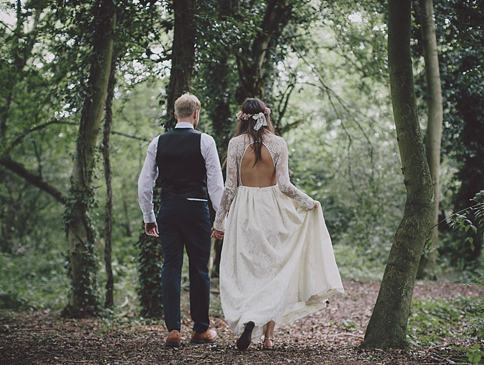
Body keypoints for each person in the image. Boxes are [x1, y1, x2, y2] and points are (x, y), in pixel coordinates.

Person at [211, 98, 344, 351]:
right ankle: (269, 338)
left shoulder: (236, 144)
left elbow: (229, 188)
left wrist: (219, 222)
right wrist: (308, 202)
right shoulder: (278, 143)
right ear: (265, 116)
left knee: (248, 272)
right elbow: (284, 185)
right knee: (273, 270)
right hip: (272, 210)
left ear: (243, 118)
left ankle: (249, 318)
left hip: (243, 212)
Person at [138, 93, 224, 348]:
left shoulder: (158, 142)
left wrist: (149, 216)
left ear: (176, 114)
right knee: (199, 268)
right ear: (196, 115)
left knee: (171, 267)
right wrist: (220, 220)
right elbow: (215, 186)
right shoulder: (206, 142)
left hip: (169, 210)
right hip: (197, 211)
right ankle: (200, 330)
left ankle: (173, 330)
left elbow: (144, 184)